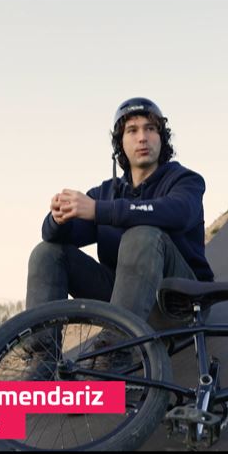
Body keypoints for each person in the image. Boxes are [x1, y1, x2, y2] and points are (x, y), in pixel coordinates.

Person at [23, 97, 214, 376]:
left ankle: (114, 352)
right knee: (47, 253)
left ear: (162, 138)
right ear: (120, 144)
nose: (142, 137)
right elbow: (57, 236)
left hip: (177, 303)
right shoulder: (106, 192)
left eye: (150, 129)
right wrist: (58, 218)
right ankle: (42, 361)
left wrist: (99, 210)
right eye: (132, 130)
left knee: (142, 234)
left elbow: (178, 213)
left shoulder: (185, 180)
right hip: (122, 303)